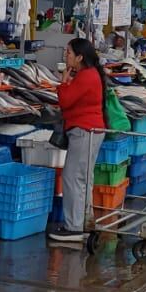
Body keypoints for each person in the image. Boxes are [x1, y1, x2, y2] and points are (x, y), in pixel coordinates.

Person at [49, 38, 110, 244]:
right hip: (91, 131)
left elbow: (65, 101)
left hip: (84, 131)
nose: (66, 55)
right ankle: (85, 222)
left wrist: (63, 82)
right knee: (83, 178)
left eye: (68, 52)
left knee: (73, 177)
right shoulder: (91, 74)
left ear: (80, 57)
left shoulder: (86, 76)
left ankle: (73, 227)